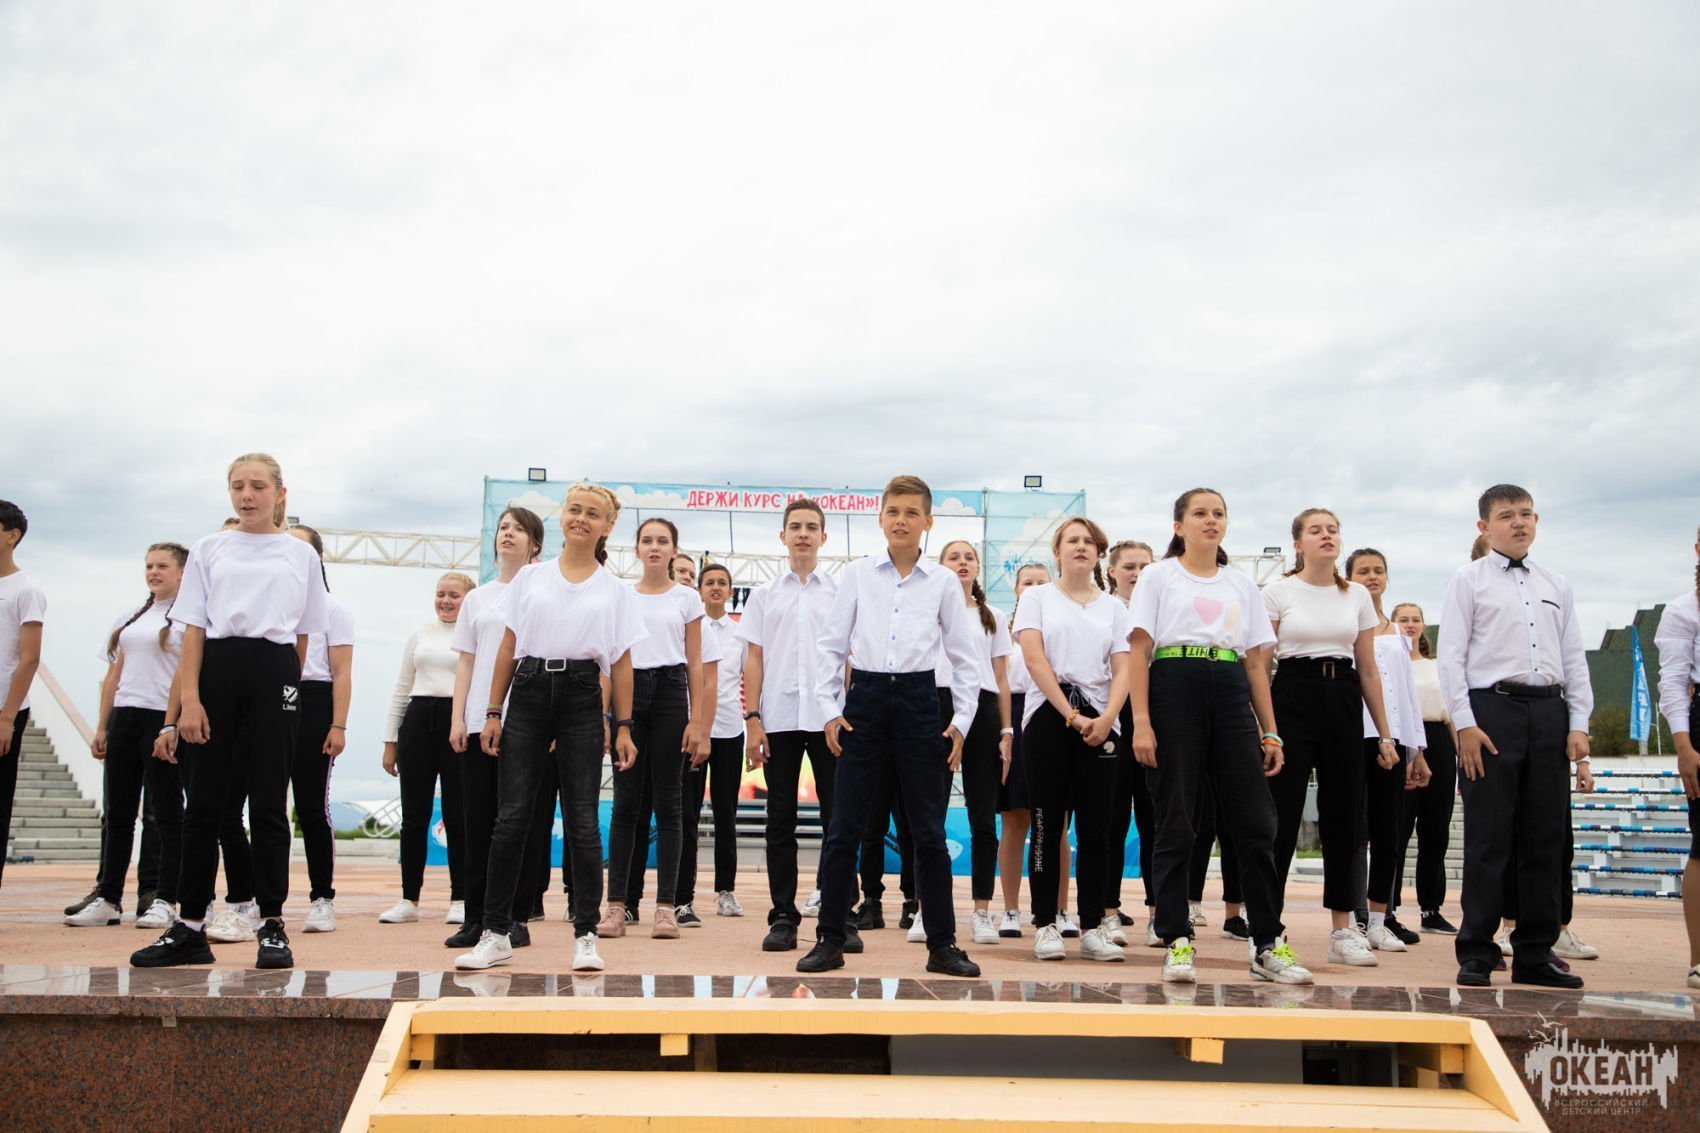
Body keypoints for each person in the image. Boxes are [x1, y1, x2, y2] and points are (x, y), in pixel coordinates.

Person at [131, 454, 328, 969]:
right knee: (204, 806)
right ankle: (191, 926)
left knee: (268, 804)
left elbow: (304, 633)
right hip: (217, 668)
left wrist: (286, 685)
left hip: (274, 669)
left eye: (258, 486)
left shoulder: (300, 554)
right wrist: (190, 700)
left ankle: (272, 924)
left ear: (280, 493)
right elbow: (193, 628)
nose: (247, 495)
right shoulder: (209, 548)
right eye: (238, 486)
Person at [798, 475, 983, 978]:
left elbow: (966, 659)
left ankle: (942, 945)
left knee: (928, 832)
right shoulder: (858, 574)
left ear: (928, 522)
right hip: (866, 701)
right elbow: (831, 646)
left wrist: (961, 722)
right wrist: (830, 709)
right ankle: (830, 938)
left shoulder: (942, 582)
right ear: (880, 518)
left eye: (911, 512)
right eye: (893, 512)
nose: (901, 520)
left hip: (921, 703)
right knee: (845, 828)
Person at [457, 482, 645, 973]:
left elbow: (621, 663)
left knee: (582, 820)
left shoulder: (615, 591)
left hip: (583, 694)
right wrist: (493, 711)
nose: (581, 519)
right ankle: (496, 932)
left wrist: (623, 725)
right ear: (562, 517)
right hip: (529, 689)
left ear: (607, 527)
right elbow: (507, 646)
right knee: (512, 817)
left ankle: (586, 935)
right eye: (574, 510)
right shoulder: (530, 578)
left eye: (593, 514)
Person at [1128, 487, 1312, 985]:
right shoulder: (1158, 576)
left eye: (1219, 514)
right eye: (1200, 514)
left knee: (1256, 822)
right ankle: (1176, 939)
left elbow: (1255, 663)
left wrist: (1270, 731)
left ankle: (1267, 941)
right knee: (1176, 821)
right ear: (1179, 525)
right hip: (1173, 685)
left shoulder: (1241, 584)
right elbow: (1139, 651)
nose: (1211, 521)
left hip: (1230, 689)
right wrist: (1141, 721)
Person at [1440, 484, 1591, 989]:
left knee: (1546, 838)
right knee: (1488, 837)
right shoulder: (1467, 580)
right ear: (1484, 527)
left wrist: (1579, 723)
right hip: (1491, 711)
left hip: (1548, 711)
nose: (1519, 522)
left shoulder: (1556, 583)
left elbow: (1574, 658)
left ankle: (1535, 952)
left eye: (1526, 513)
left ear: (1537, 520)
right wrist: (1464, 723)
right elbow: (1451, 657)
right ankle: (1477, 951)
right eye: (1506, 515)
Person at [1261, 512, 1402, 968]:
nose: (1327, 536)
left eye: (1333, 529)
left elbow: (1369, 668)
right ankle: (1268, 929)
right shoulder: (1278, 592)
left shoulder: (1356, 594)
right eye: (1316, 530)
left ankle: (1343, 929)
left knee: (1345, 817)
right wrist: (1265, 727)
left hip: (1343, 695)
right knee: (1280, 817)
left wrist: (1384, 733)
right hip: (1292, 693)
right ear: (1298, 543)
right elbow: (1260, 664)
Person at [1015, 518, 1133, 963]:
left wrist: (1107, 717)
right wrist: (1070, 714)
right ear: (1057, 550)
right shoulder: (1038, 598)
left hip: (1102, 720)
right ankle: (1045, 923)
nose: (1081, 547)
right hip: (1050, 715)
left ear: (1099, 552)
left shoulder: (1114, 608)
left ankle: (1092, 926)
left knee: (1098, 830)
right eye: (1072, 540)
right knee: (1047, 824)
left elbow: (1123, 667)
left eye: (1089, 541)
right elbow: (1034, 658)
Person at [599, 518, 717, 941]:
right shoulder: (620, 595)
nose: (654, 547)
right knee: (626, 805)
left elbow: (695, 663)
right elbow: (609, 658)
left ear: (673, 549)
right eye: (646, 540)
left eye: (662, 541)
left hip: (669, 693)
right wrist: (607, 717)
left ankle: (666, 907)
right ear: (636, 549)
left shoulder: (686, 598)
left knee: (670, 804)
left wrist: (697, 721)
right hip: (628, 692)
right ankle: (616, 906)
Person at [739, 499, 839, 951]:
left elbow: (849, 656)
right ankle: (783, 916)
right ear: (782, 536)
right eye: (795, 526)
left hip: (829, 717)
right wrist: (753, 719)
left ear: (823, 537)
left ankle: (839, 916)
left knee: (839, 820)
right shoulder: (764, 595)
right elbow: (753, 658)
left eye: (811, 527)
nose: (802, 534)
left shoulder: (839, 592)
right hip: (777, 717)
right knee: (780, 820)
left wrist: (847, 713)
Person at [73, 544, 191, 929]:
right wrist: (102, 725)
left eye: (162, 566)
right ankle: (108, 897)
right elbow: (114, 675)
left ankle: (164, 896)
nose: (153, 572)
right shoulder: (130, 618)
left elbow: (188, 675)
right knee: (118, 813)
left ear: (182, 572)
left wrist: (172, 724)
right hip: (125, 716)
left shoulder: (190, 619)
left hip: (161, 717)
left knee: (165, 813)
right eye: (149, 566)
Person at [446, 506, 545, 950]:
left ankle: (514, 917)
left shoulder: (541, 595)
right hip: (476, 720)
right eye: (503, 527)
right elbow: (466, 662)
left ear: (534, 544)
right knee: (477, 821)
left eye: (518, 529)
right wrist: (458, 717)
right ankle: (475, 917)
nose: (508, 534)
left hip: (527, 720)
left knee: (521, 823)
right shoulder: (478, 598)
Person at [1345, 548, 1433, 948]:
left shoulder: (1397, 632)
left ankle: (1380, 917)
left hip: (1392, 739)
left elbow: (1407, 693)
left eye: (1378, 570)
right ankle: (1352, 917)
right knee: (1352, 831)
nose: (1372, 577)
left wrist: (1417, 749)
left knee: (1388, 831)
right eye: (1363, 571)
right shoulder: (1344, 627)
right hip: (1352, 735)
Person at [379, 573, 475, 925]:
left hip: (456, 722)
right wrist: (390, 741)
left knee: (458, 816)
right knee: (413, 816)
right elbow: (402, 686)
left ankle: (461, 898)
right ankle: (409, 898)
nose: (446, 601)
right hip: (417, 720)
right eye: (440, 594)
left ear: (469, 600)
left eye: (454, 595)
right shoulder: (420, 634)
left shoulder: (473, 635)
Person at [935, 540, 1014, 947]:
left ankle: (982, 910)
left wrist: (1006, 730)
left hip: (983, 709)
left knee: (983, 817)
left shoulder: (992, 616)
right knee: (929, 815)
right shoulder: (929, 610)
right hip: (939, 703)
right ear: (941, 566)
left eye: (969, 557)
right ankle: (927, 908)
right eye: (954, 557)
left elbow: (1001, 679)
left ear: (978, 568)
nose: (962, 563)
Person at [283, 526, 352, 934]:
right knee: (266, 805)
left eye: (300, 547)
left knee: (311, 807)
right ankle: (260, 899)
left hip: (315, 699)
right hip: (274, 695)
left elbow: (341, 671)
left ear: (317, 558)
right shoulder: (270, 604)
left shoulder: (332, 608)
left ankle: (322, 898)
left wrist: (337, 724)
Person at [679, 562, 745, 924]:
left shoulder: (741, 634)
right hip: (693, 731)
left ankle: (726, 891)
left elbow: (751, 679)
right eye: (709, 583)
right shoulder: (689, 629)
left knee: (725, 814)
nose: (716, 588)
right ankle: (683, 896)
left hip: (730, 730)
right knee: (687, 814)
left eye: (722, 583)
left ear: (731, 592)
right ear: (700, 590)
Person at [1390, 602, 1459, 934]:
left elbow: (1451, 715)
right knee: (1397, 828)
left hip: (1438, 739)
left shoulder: (1437, 667)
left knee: (1436, 830)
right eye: (1403, 619)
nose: (1410, 624)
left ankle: (1431, 908)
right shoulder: (1388, 664)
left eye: (1415, 619)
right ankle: (1386, 907)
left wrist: (1461, 755)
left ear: (1423, 626)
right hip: (1402, 740)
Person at [1654, 526, 1700, 990]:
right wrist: (1684, 746)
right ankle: (1699, 959)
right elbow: (1672, 682)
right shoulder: (1683, 610)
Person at [1103, 540, 1156, 939]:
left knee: (1158, 820)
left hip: (1158, 719)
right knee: (1111, 820)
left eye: (1144, 567)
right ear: (1112, 571)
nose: (1137, 574)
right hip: (1114, 718)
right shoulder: (1104, 611)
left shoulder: (1163, 610)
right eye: (1129, 567)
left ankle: (1160, 914)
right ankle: (1107, 910)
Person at [0, 500, 45, 901]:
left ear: (12, 536)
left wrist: (7, 717)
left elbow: (29, 658)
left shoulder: (26, 589)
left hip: (5, 709)